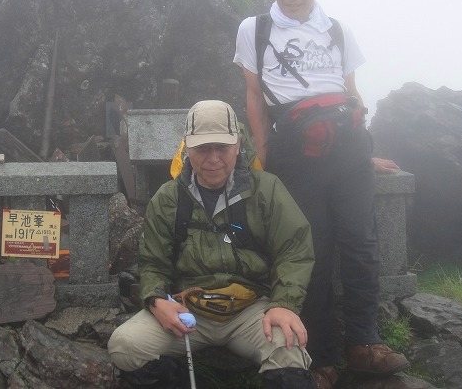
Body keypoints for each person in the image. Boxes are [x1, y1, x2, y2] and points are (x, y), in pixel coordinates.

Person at [233, 0, 409, 387]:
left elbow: (350, 94)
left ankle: (364, 344)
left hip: (348, 149)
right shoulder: (255, 30)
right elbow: (255, 96)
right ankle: (320, 356)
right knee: (311, 249)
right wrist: (265, 153)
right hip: (295, 150)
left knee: (361, 242)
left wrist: (362, 151)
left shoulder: (337, 30)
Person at [108, 100, 318, 388]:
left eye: (223, 147)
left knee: (288, 349)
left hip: (253, 308)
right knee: (124, 346)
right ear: (187, 148)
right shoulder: (169, 198)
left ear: (238, 144)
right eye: (202, 148)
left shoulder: (267, 190)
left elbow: (294, 250)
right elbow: (154, 263)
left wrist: (283, 305)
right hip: (188, 309)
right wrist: (156, 301)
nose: (213, 158)